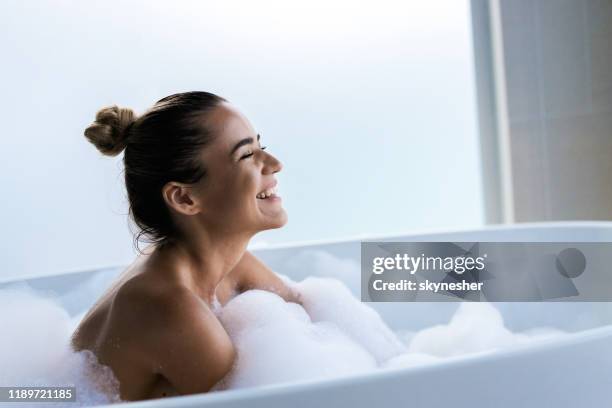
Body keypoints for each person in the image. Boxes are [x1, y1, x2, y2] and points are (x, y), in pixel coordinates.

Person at [70, 91, 302, 401]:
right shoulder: (169, 306)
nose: (274, 164)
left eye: (262, 147)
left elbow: (313, 319)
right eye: (247, 155)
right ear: (185, 198)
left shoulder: (225, 263)